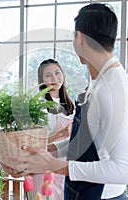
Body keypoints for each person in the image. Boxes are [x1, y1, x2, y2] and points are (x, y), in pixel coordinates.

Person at [7, 3, 128, 200]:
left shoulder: (111, 90)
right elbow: (86, 141)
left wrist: (53, 165)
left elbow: (125, 170)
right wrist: (47, 151)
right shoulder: (101, 82)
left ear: (80, 37)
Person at [32, 58, 74, 199]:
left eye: (57, 73)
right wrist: (60, 133)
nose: (54, 78)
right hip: (44, 163)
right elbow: (34, 142)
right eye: (48, 75)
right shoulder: (39, 105)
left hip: (64, 163)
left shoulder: (70, 104)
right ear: (42, 80)